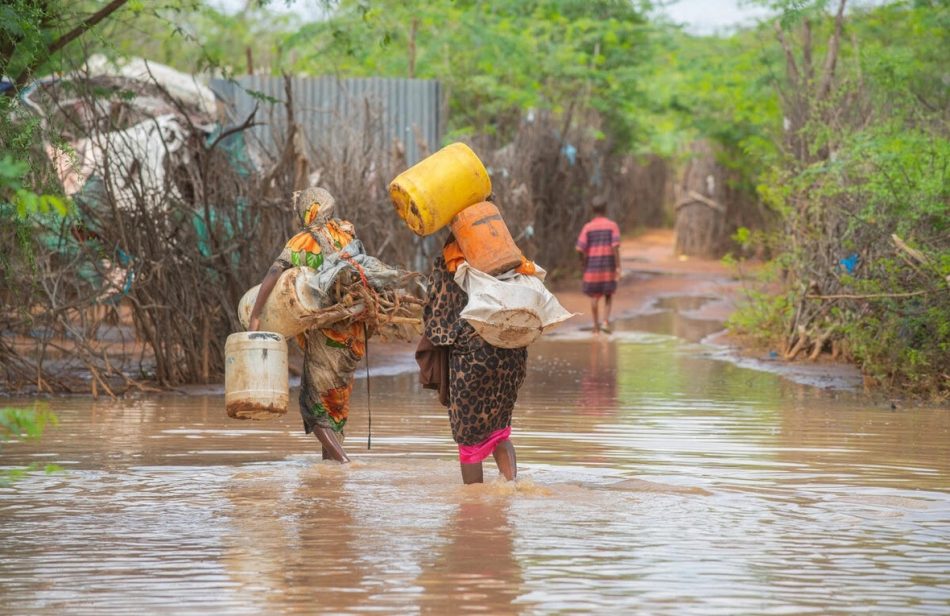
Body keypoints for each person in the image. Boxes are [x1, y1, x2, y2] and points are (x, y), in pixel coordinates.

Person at [248, 187, 366, 464]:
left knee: (312, 407)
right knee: (334, 405)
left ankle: (344, 464)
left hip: (325, 334)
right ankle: (331, 474)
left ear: (307, 209)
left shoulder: (304, 241)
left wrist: (255, 314)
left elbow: (275, 271)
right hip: (352, 335)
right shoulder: (347, 235)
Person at [419, 235, 527, 484]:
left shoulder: (451, 258)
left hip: (473, 360)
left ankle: (472, 509)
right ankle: (509, 492)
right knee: (500, 431)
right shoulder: (507, 255)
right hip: (512, 355)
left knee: (468, 441)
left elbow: (439, 320)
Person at [575, 196, 621, 333]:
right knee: (608, 295)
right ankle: (605, 322)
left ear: (592, 210)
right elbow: (615, 247)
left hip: (592, 268)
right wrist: (618, 266)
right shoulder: (612, 226)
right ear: (605, 209)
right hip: (608, 267)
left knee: (594, 297)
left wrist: (583, 263)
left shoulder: (587, 227)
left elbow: (579, 248)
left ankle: (595, 326)